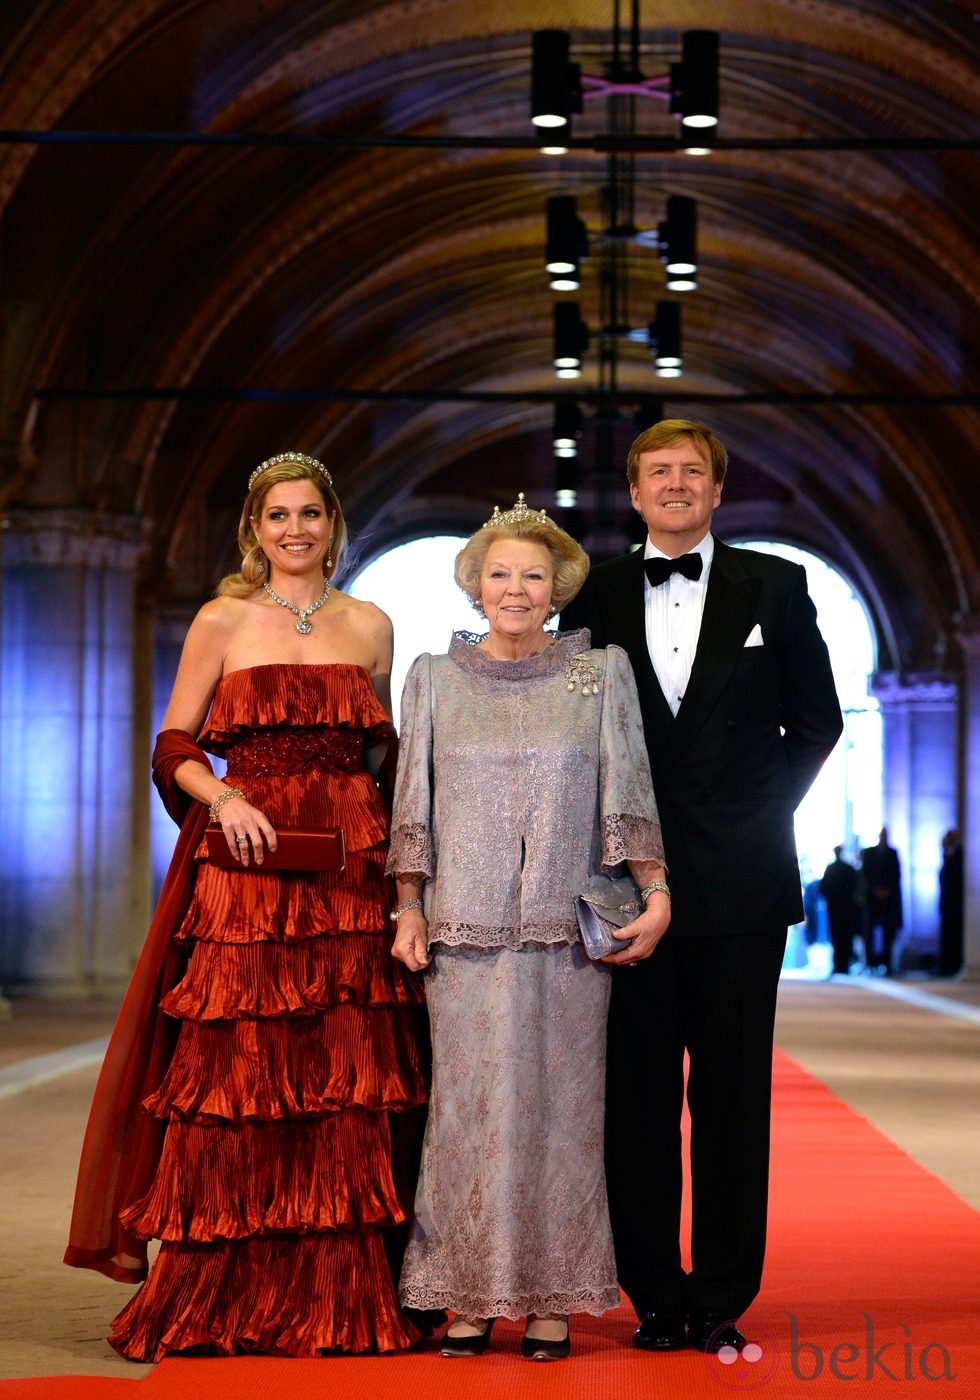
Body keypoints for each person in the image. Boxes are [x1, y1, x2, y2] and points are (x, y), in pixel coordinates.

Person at [65, 451, 428, 1358]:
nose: (296, 530)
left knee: (344, 1077)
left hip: (351, 868)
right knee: (240, 1073)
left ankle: (342, 1295)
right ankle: (222, 1292)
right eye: (278, 516)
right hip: (246, 864)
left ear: (333, 524)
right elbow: (173, 745)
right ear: (254, 528)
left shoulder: (374, 625)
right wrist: (220, 795)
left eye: (310, 514)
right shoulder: (222, 618)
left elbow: (387, 759)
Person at [560, 419, 842, 1354]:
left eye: (693, 472)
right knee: (635, 1097)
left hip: (742, 882)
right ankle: (652, 1293)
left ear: (719, 490)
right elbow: (574, 734)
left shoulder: (778, 583)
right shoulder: (593, 592)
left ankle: (720, 1291)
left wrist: (759, 810)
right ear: (634, 493)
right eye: (657, 473)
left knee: (730, 1099)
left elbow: (818, 721)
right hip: (624, 886)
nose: (675, 485)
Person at [387, 494, 669, 1361]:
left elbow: (628, 787)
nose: (515, 588)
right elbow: (412, 806)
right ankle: (466, 1296)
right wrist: (407, 905)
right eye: (500, 573)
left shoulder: (602, 671)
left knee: (563, 1117)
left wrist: (655, 890)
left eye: (533, 575)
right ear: (476, 586)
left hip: (566, 928)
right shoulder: (434, 676)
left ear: (558, 588)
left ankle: (552, 1301)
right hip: (460, 934)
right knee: (465, 1117)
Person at [859, 827, 903, 975]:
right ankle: (870, 963)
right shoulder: (869, 853)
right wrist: (875, 890)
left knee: (888, 932)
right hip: (872, 898)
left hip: (888, 899)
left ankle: (887, 963)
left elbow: (896, 875)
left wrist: (886, 890)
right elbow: (865, 875)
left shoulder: (893, 853)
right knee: (869, 931)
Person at [820, 846, 861, 975]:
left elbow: (823, 887)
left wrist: (831, 898)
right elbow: (855, 887)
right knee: (845, 936)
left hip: (835, 907)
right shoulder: (848, 869)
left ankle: (838, 964)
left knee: (837, 936)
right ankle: (844, 964)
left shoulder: (831, 869)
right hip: (846, 907)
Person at [938, 829, 964, 976]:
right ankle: (945, 966)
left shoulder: (960, 854)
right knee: (946, 936)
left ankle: (954, 965)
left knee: (955, 937)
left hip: (957, 905)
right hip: (946, 904)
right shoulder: (945, 854)